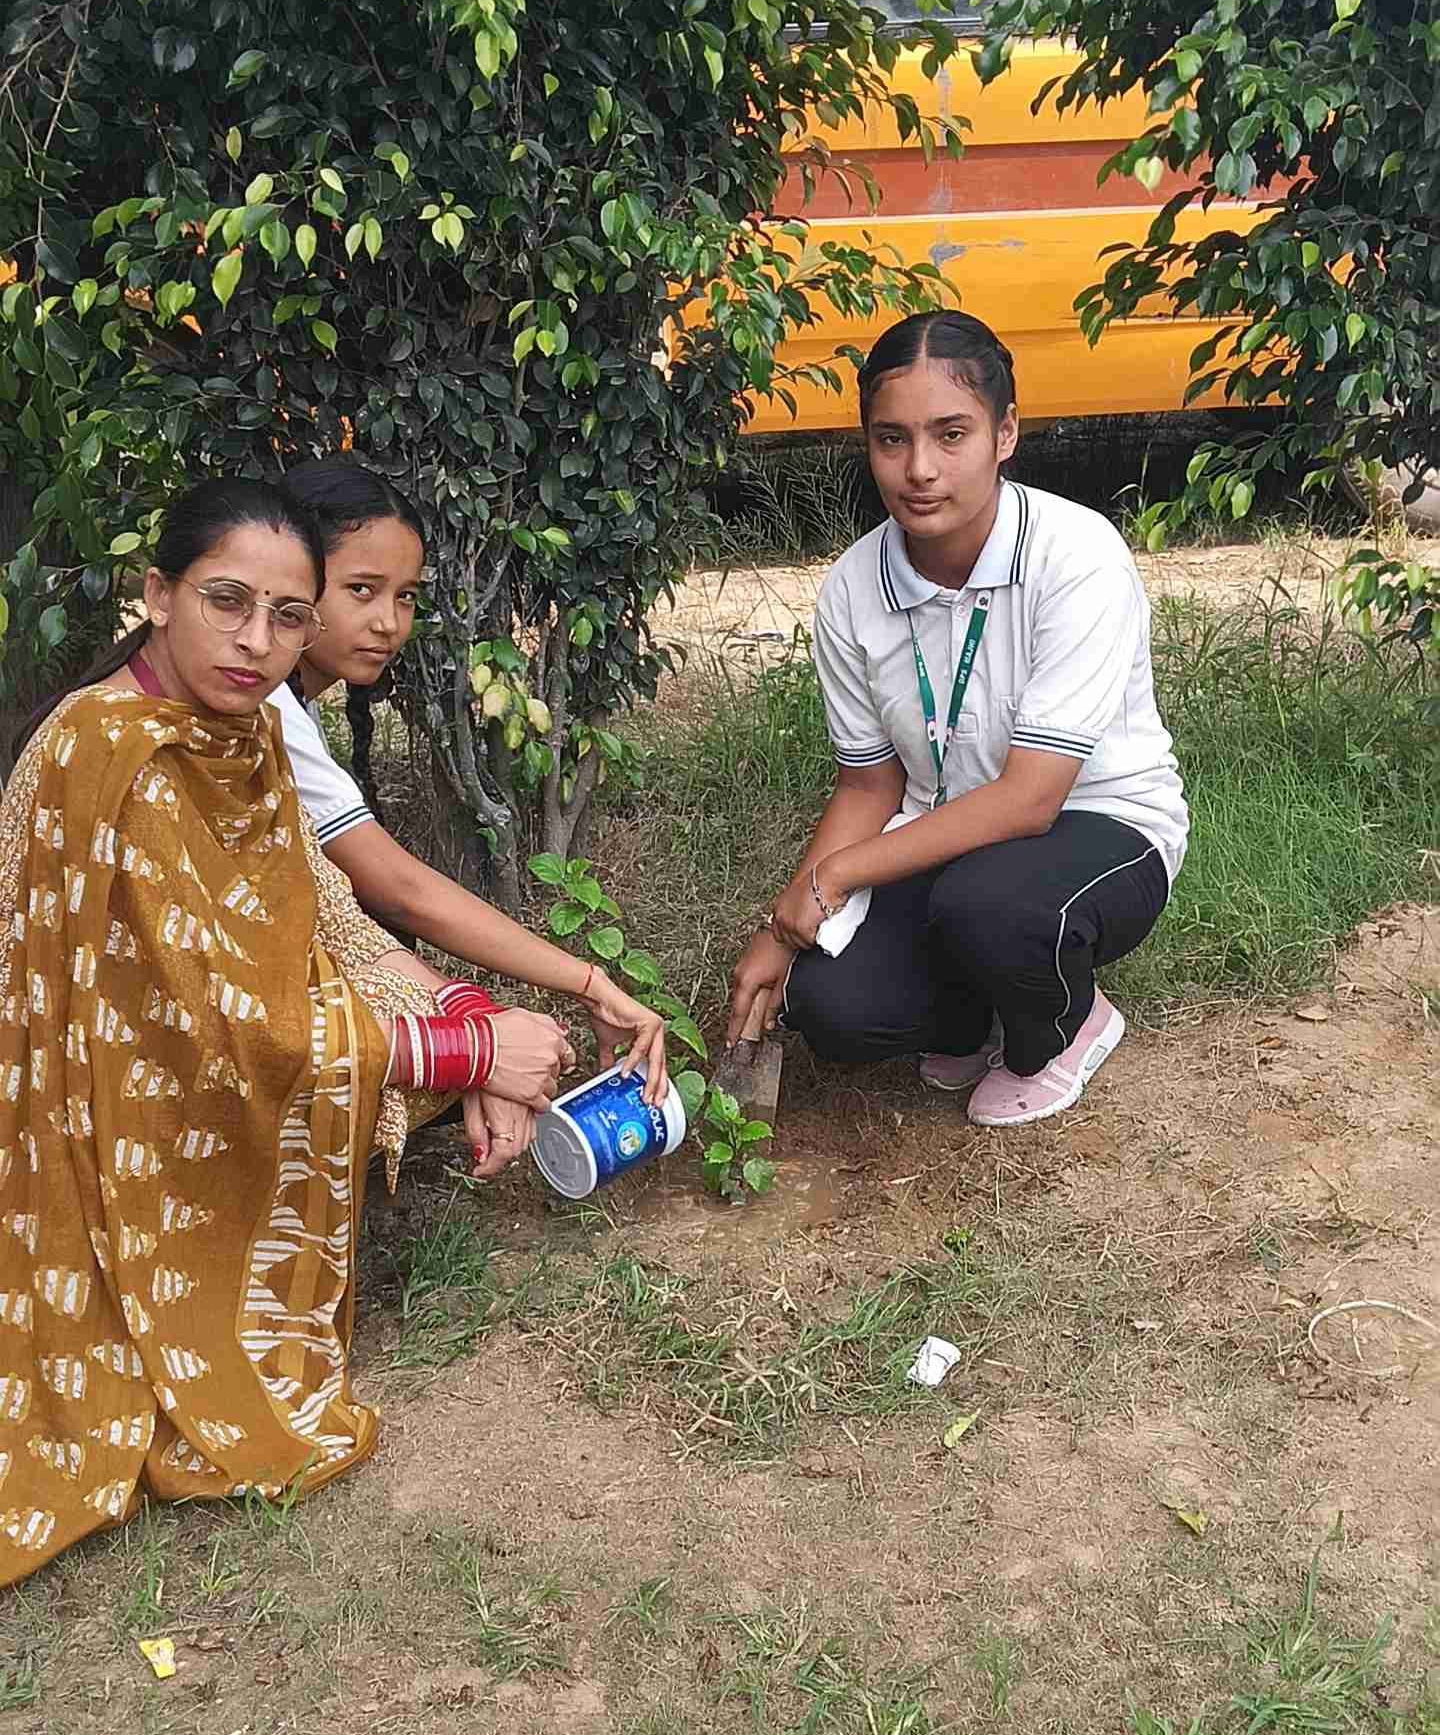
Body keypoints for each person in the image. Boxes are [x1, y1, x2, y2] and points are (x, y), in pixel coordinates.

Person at [0, 482, 531, 1592]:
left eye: (288, 616)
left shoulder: (237, 732)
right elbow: (221, 1034)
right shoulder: (112, 751)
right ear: (158, 595)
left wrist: (469, 1015)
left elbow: (332, 918)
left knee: (374, 1010)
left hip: (177, 1047)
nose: (257, 641)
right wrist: (472, 1056)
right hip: (81, 1089)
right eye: (228, 602)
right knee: (341, 1055)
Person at [724, 311, 1188, 1125]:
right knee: (832, 1008)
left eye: (951, 434)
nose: (919, 469)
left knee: (991, 906)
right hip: (946, 840)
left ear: (1005, 434)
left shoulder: (1076, 556)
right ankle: (972, 1017)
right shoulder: (853, 588)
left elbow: (1031, 800)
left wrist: (830, 880)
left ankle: (1067, 1024)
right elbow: (869, 786)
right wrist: (783, 930)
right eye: (891, 439)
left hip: (1098, 823)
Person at [272, 456, 666, 1177]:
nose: (388, 622)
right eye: (361, 590)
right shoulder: (262, 707)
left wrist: (479, 1030)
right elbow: (401, 891)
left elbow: (346, 918)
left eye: (406, 597)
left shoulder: (277, 702)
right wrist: (527, 1021)